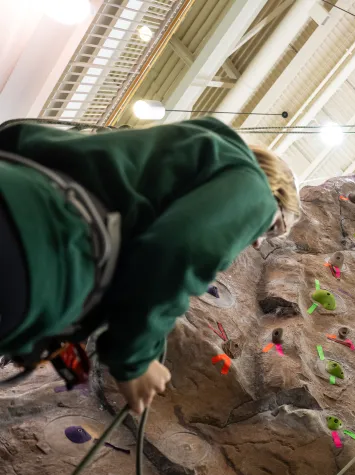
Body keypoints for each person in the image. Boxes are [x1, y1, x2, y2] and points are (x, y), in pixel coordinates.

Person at [0, 117, 299, 414]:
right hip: (41, 248)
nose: (258, 242)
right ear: (275, 193)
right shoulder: (255, 190)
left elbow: (18, 136)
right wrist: (136, 362)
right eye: (272, 228)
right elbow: (177, 249)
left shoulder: (181, 146)